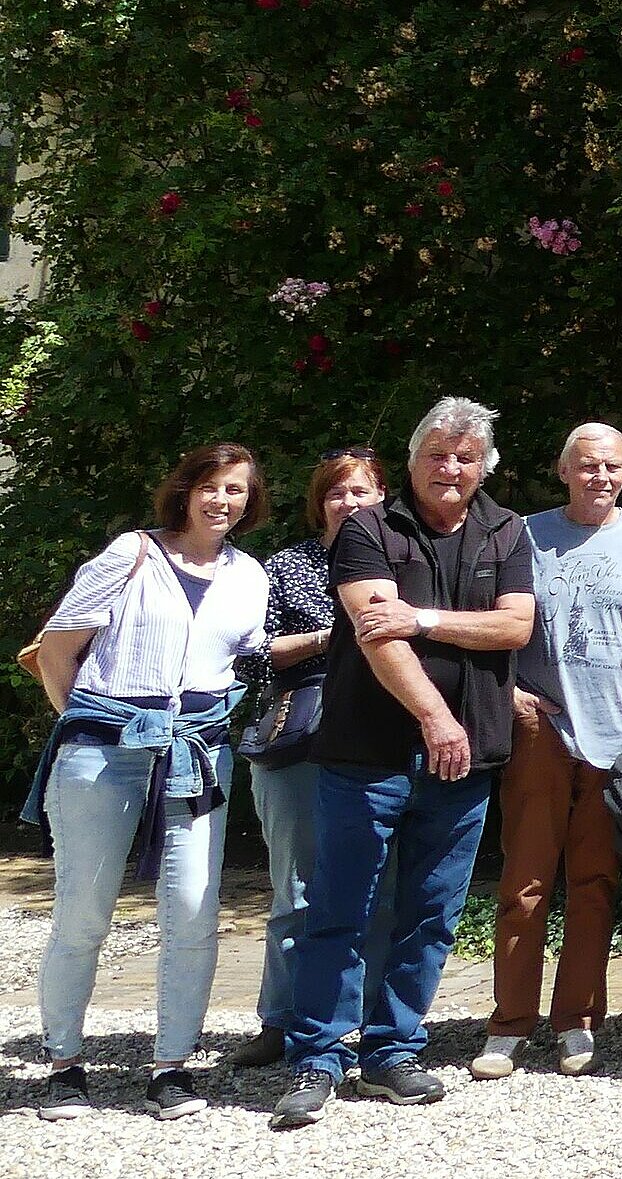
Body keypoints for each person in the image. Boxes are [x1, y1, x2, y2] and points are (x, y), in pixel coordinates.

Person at [276, 397, 537, 1129]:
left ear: (483, 463)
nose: (450, 467)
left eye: (465, 455)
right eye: (437, 454)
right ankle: (316, 1057)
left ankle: (392, 1050)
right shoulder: (367, 526)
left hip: (464, 761)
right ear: (414, 458)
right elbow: (371, 630)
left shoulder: (506, 529)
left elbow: (515, 624)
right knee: (340, 908)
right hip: (369, 754)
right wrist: (434, 715)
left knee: (431, 913)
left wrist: (422, 617)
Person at [27, 444, 271, 1122]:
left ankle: (170, 1067)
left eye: (238, 490)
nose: (224, 500)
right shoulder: (129, 553)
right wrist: (89, 724)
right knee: (84, 912)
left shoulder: (248, 575)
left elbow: (247, 655)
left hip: (197, 752)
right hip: (103, 754)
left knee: (193, 909)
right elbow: (56, 649)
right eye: (213, 486)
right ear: (186, 488)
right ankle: (65, 1065)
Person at [480, 423, 622, 1080]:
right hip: (542, 730)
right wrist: (508, 693)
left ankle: (577, 1019)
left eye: (614, 466)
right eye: (589, 465)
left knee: (596, 884)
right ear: (563, 469)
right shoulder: (522, 532)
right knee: (524, 883)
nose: (601, 476)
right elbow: (492, 625)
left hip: (620, 735)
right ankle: (510, 1023)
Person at [229, 448, 390, 1072]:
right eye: (337, 493)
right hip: (298, 738)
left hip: (379, 736)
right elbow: (250, 657)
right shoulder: (288, 567)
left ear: (382, 497)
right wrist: (337, 632)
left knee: (381, 883)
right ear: (320, 502)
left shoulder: (402, 562)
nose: (350, 504)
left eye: (362, 492)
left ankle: (371, 1023)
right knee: (296, 887)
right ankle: (284, 1019)